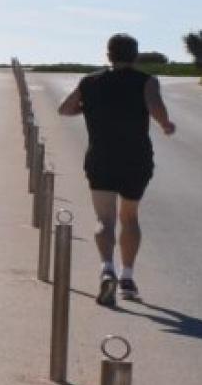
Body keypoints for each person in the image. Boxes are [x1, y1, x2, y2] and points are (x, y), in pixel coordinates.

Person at [56, 32, 176, 308]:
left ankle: (107, 268)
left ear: (108, 55)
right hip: (136, 159)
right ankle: (127, 278)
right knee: (130, 218)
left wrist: (88, 110)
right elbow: (155, 107)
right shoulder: (146, 81)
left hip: (101, 158)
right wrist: (166, 124)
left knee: (104, 220)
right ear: (135, 56)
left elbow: (65, 109)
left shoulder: (90, 81)